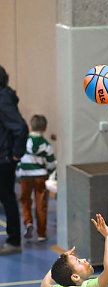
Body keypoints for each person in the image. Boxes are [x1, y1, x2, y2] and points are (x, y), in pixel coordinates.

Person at [0, 65, 28, 255]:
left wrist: (16, 153)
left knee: (7, 197)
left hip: (3, 158)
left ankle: (14, 240)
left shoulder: (3, 99)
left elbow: (20, 127)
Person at [16, 114, 56, 242]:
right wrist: (49, 172)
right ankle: (41, 233)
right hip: (41, 176)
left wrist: (18, 171)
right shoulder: (46, 144)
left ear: (30, 127)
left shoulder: (23, 140)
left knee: (25, 200)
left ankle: (28, 223)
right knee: (41, 203)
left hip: (25, 175)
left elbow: (18, 157)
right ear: (45, 128)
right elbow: (51, 163)